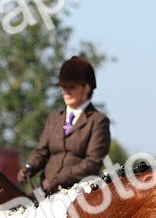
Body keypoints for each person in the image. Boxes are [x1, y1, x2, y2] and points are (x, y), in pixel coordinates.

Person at [18, 56, 111, 194]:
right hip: (44, 189)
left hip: (78, 193)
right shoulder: (54, 118)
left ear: (87, 87)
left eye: (72, 87)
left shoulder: (97, 121)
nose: (66, 92)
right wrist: (29, 167)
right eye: (63, 87)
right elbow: (41, 152)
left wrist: (57, 180)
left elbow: (92, 163)